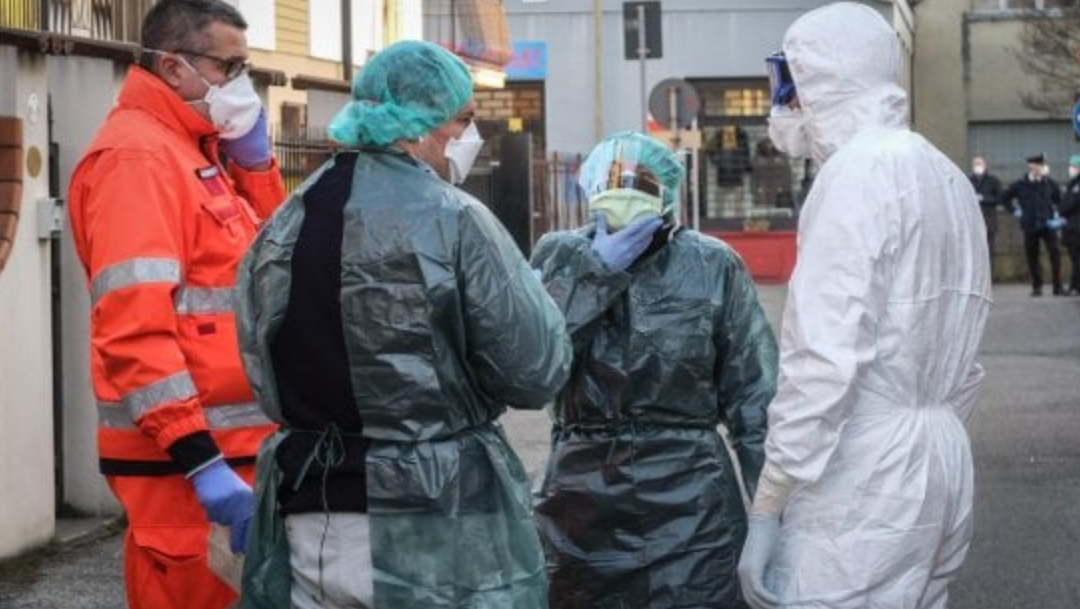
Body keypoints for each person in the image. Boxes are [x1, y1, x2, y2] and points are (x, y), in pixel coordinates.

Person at [235, 40, 572, 609]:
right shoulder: (456, 219)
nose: (468, 136)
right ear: (419, 123)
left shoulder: (285, 220)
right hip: (433, 517)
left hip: (309, 512)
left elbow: (257, 355)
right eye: (462, 120)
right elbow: (535, 371)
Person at [738, 4, 992, 609]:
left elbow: (824, 362)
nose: (785, 103)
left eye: (791, 81)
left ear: (823, 79)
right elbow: (967, 355)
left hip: (865, 474)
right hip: (940, 455)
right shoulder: (945, 175)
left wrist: (770, 499)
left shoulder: (855, 176)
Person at [67, 1, 286, 608]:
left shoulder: (192, 151)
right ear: (172, 66)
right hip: (190, 468)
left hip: (228, 454)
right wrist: (198, 459)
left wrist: (257, 169)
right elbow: (133, 329)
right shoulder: (137, 160)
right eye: (228, 67)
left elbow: (274, 264)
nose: (240, 83)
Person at [530, 131, 778, 609]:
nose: (624, 190)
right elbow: (532, 363)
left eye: (639, 181)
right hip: (582, 501)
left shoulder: (711, 264)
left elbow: (754, 396)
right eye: (613, 179)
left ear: (666, 191)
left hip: (692, 501)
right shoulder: (559, 256)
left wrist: (773, 509)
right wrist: (593, 273)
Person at [1004, 152, 1064, 296]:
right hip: (1029, 226)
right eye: (1036, 165)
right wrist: (1014, 210)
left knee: (1055, 254)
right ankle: (1037, 286)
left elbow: (1059, 200)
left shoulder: (1049, 183)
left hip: (1047, 225)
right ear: (1031, 167)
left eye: (1041, 166)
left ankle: (1057, 286)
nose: (1039, 168)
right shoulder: (1020, 185)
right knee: (1032, 256)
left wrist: (1057, 214)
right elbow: (1005, 197)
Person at [969, 154, 1005, 275]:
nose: (977, 166)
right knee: (973, 251)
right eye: (975, 164)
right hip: (972, 222)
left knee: (989, 250)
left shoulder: (993, 181)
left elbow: (1001, 198)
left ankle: (989, 277)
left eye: (979, 164)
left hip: (989, 221)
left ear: (985, 165)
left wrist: (984, 198)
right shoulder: (969, 180)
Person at [1060, 154, 1080, 295]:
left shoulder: (1076, 185)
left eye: (1074, 166)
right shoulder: (1072, 184)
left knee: (1076, 258)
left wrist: (1062, 210)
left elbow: (1069, 204)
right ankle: (1074, 286)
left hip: (1076, 228)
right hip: (1072, 227)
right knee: (1075, 259)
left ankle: (1075, 286)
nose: (1071, 169)